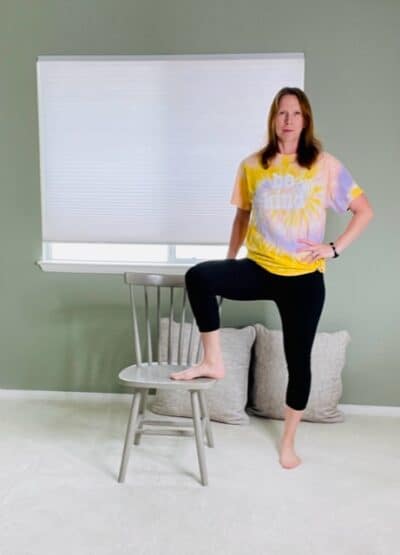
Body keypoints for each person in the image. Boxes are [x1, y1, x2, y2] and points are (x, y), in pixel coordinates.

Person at [170, 87, 373, 469]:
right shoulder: (252, 166)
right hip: (259, 268)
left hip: (304, 280)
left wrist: (333, 248)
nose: (289, 120)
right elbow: (241, 218)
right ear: (273, 119)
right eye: (282, 113)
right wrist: (229, 262)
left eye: (296, 113)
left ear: (306, 119)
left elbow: (364, 210)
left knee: (298, 362)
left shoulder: (324, 165)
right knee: (199, 276)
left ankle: (289, 442)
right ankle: (213, 361)